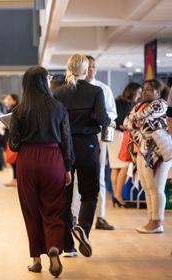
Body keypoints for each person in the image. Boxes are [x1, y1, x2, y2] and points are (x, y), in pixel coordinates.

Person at [9, 66, 74, 277]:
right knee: (54, 208)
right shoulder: (58, 107)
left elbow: (14, 145)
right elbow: (67, 141)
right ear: (43, 82)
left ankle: (36, 259)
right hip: (53, 159)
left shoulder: (19, 111)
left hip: (27, 161)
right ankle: (54, 246)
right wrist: (68, 167)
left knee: (31, 210)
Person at [55, 53, 110, 258]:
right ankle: (83, 229)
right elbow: (104, 119)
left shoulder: (58, 93)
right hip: (87, 146)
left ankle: (68, 246)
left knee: (65, 198)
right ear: (86, 70)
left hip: (63, 148)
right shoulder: (96, 91)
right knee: (89, 193)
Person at [124, 79, 171, 233]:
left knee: (157, 188)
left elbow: (142, 119)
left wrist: (135, 120)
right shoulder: (139, 105)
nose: (145, 92)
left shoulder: (161, 104)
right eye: (144, 89)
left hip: (158, 151)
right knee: (147, 187)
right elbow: (126, 123)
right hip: (142, 150)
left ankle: (157, 222)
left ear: (157, 92)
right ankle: (151, 220)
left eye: (149, 89)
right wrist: (135, 120)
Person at [85, 55, 118, 231]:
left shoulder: (104, 89)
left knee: (99, 177)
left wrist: (104, 119)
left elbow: (113, 112)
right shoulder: (74, 89)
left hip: (99, 135)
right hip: (81, 137)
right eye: (88, 66)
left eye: (93, 66)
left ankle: (101, 216)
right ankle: (75, 216)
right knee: (77, 179)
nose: (91, 70)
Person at [110, 82, 142, 206]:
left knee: (115, 167)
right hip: (120, 135)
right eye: (139, 92)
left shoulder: (118, 101)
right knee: (124, 164)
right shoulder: (126, 103)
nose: (140, 95)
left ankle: (116, 196)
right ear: (133, 91)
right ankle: (118, 196)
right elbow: (122, 122)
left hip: (113, 136)